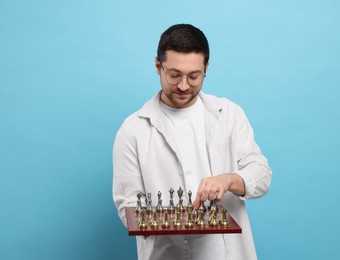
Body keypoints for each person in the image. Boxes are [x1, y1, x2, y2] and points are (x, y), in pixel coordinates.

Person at [113, 24, 272, 260]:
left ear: (206, 68)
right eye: (174, 75)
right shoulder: (133, 129)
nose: (183, 86)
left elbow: (262, 175)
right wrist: (174, 221)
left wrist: (228, 179)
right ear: (158, 66)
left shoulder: (229, 114)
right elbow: (127, 206)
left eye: (194, 76)